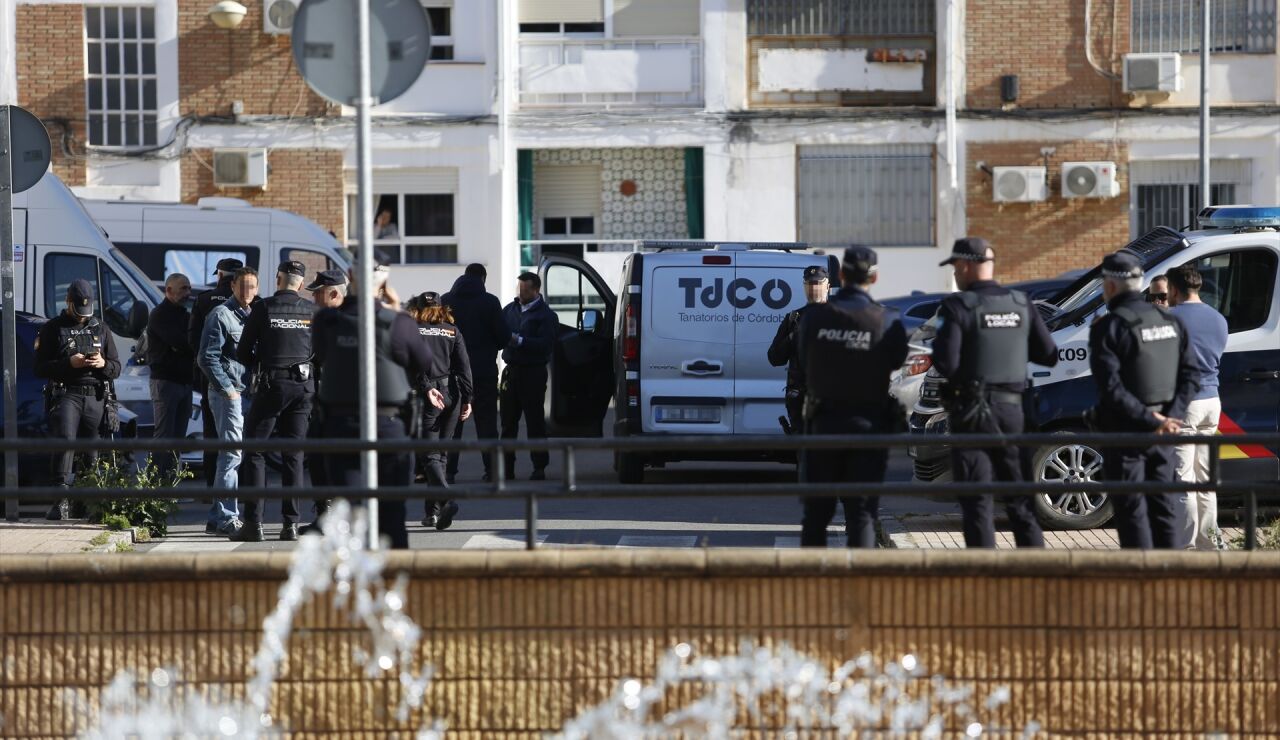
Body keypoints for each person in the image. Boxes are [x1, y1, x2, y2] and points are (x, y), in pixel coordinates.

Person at [932, 237, 1058, 548]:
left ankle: (986, 582)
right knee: (1021, 502)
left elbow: (945, 362)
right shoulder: (1020, 302)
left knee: (977, 503)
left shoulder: (958, 305)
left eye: (955, 269)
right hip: (1014, 413)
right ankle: (1037, 577)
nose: (955, 276)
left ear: (965, 265)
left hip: (973, 416)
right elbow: (1048, 354)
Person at [311, 267, 444, 549]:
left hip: (341, 426)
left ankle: (354, 583)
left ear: (350, 277)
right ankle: (392, 581)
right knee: (392, 516)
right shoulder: (396, 323)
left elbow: (322, 355)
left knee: (352, 513)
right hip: (388, 426)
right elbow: (424, 362)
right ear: (383, 283)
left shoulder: (327, 320)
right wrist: (398, 313)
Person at [795, 247, 908, 548]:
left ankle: (809, 588)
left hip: (824, 426)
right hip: (867, 427)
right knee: (862, 514)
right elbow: (897, 361)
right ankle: (859, 588)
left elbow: (805, 360)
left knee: (816, 514)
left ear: (841, 275)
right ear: (875, 277)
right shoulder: (886, 320)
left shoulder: (814, 318)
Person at [1087, 252, 1199, 549]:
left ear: (1109, 286)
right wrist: (1170, 418)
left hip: (1127, 437)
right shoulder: (1170, 321)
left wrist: (1152, 420)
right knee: (1164, 508)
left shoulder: (1108, 327)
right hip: (1164, 434)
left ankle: (1141, 586)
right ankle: (1170, 582)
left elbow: (1111, 388)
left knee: (1133, 513)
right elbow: (1191, 376)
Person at [233, 261, 315, 542]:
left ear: (278, 279)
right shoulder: (310, 311)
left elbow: (243, 351)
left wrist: (261, 364)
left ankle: (253, 524)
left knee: (255, 451)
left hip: (271, 384)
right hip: (303, 387)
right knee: (294, 455)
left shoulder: (264, 307)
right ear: (301, 284)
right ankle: (290, 525)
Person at [33, 279, 121, 520]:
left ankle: (88, 502)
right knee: (65, 444)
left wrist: (103, 364)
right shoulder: (53, 328)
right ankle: (60, 502)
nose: (82, 317)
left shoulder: (101, 328)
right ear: (68, 303)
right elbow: (39, 368)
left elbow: (116, 367)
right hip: (67, 393)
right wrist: (68, 364)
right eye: (78, 311)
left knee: (92, 451)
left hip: (95, 395)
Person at [1166, 264, 1227, 549]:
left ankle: (1185, 544)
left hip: (1184, 403)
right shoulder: (1218, 319)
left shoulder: (1170, 319)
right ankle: (1210, 541)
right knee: (1205, 477)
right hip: (1212, 401)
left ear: (1174, 289)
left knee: (1183, 478)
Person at [198, 267, 259, 536]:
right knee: (231, 453)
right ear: (232, 286)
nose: (248, 291)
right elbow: (206, 357)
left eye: (252, 286)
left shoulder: (254, 314)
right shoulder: (220, 314)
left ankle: (216, 516)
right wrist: (228, 390)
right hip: (229, 394)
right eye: (243, 286)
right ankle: (225, 516)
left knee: (237, 454)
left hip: (247, 393)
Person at [407, 292, 473, 530]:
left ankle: (445, 501)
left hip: (429, 397)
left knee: (429, 455)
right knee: (441, 455)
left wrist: (425, 388)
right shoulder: (452, 330)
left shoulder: (414, 329)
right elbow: (464, 366)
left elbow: (412, 364)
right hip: (452, 393)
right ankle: (432, 512)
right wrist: (468, 398)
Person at [442, 263, 508, 483]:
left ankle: (448, 472)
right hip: (483, 372)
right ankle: (492, 471)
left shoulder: (446, 300)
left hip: (452, 374)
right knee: (487, 423)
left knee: (452, 424)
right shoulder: (490, 302)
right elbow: (503, 338)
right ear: (483, 278)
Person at [298, 269, 349, 535]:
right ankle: (325, 515)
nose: (314, 298)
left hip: (345, 405)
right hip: (324, 400)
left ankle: (339, 519)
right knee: (319, 460)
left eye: (318, 293)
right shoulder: (325, 320)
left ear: (333, 293)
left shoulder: (348, 320)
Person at [189, 258, 243, 489]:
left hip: (209, 375)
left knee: (211, 431)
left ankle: (212, 486)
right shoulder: (250, 300)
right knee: (239, 434)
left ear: (220, 275)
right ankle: (239, 486)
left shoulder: (203, 300)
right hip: (240, 377)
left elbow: (192, 340)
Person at [500, 272, 557, 481]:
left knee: (535, 423)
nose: (520, 293)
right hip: (511, 371)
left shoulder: (546, 316)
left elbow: (546, 346)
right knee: (507, 424)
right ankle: (506, 469)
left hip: (533, 372)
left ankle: (539, 467)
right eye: (519, 289)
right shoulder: (510, 310)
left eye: (525, 290)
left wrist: (521, 341)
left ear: (536, 291)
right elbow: (499, 332)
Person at [768, 265, 830, 434]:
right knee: (804, 454)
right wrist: (793, 337)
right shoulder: (794, 319)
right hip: (799, 398)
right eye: (809, 284)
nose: (814, 289)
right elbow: (774, 358)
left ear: (827, 286)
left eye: (818, 283)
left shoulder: (839, 318)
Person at [146, 273, 193, 478]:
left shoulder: (185, 314)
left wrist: (187, 345)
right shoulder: (159, 314)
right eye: (183, 288)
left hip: (184, 382)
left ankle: (170, 484)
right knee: (164, 435)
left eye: (188, 288)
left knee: (178, 438)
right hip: (166, 382)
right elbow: (183, 343)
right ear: (169, 291)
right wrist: (186, 345)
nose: (187, 293)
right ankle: (154, 485)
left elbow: (191, 343)